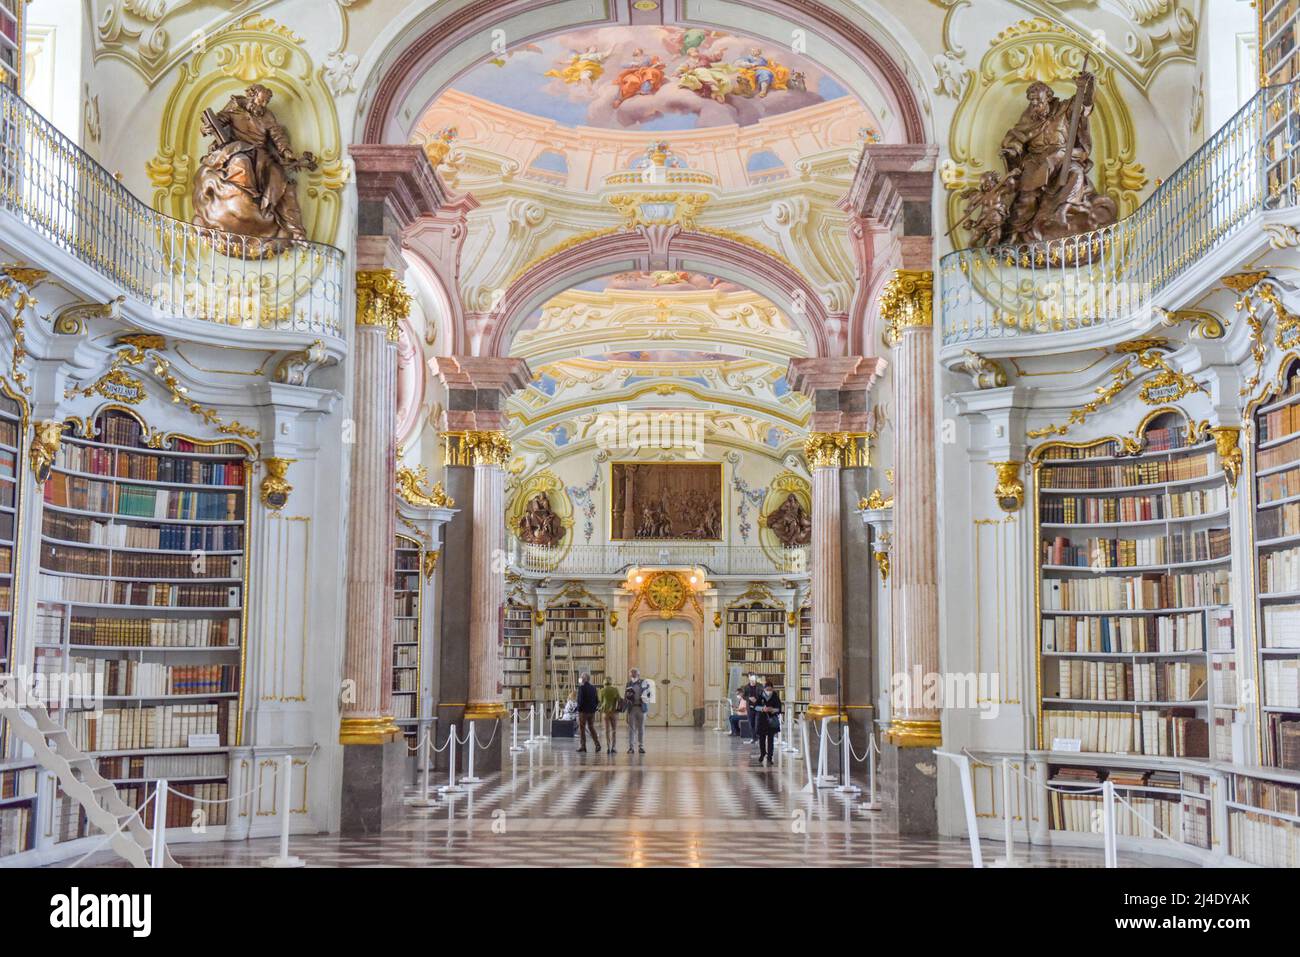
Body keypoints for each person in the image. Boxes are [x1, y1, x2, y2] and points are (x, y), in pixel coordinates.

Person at [754, 681, 783, 765]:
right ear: (764, 689)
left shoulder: (775, 697)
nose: (769, 691)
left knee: (771, 740)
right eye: (767, 689)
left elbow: (779, 708)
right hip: (762, 720)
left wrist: (773, 710)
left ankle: (770, 756)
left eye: (770, 689)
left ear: (772, 689)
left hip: (771, 720)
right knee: (762, 739)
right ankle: (762, 753)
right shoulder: (760, 696)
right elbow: (755, 707)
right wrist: (763, 709)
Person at [625, 668, 650, 754]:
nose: (632, 674)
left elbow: (649, 694)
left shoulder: (644, 682)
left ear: (638, 674)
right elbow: (626, 697)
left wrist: (646, 696)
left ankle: (641, 746)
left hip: (641, 708)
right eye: (631, 673)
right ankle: (631, 747)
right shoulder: (628, 683)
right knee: (631, 728)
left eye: (634, 672)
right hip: (632, 708)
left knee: (641, 728)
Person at [575, 671, 601, 753]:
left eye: (581, 677)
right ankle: (597, 744)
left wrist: (578, 709)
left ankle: (583, 746)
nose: (580, 679)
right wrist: (593, 708)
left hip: (583, 712)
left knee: (582, 729)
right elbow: (597, 701)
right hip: (592, 712)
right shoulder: (593, 688)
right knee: (591, 727)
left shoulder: (581, 688)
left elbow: (580, 700)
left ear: (584, 679)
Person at [598, 675, 621, 753]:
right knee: (614, 730)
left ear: (604, 682)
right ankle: (613, 747)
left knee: (607, 730)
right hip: (614, 712)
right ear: (611, 682)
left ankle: (608, 747)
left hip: (605, 713)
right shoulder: (615, 689)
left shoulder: (602, 690)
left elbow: (600, 702)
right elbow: (619, 700)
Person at [739, 674, 763, 741]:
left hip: (758, 706)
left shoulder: (760, 686)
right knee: (751, 723)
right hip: (750, 707)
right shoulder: (746, 687)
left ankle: (758, 736)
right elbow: (743, 696)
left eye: (754, 681)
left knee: (757, 722)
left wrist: (757, 699)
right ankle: (754, 738)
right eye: (751, 681)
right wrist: (749, 698)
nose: (753, 682)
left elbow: (763, 694)